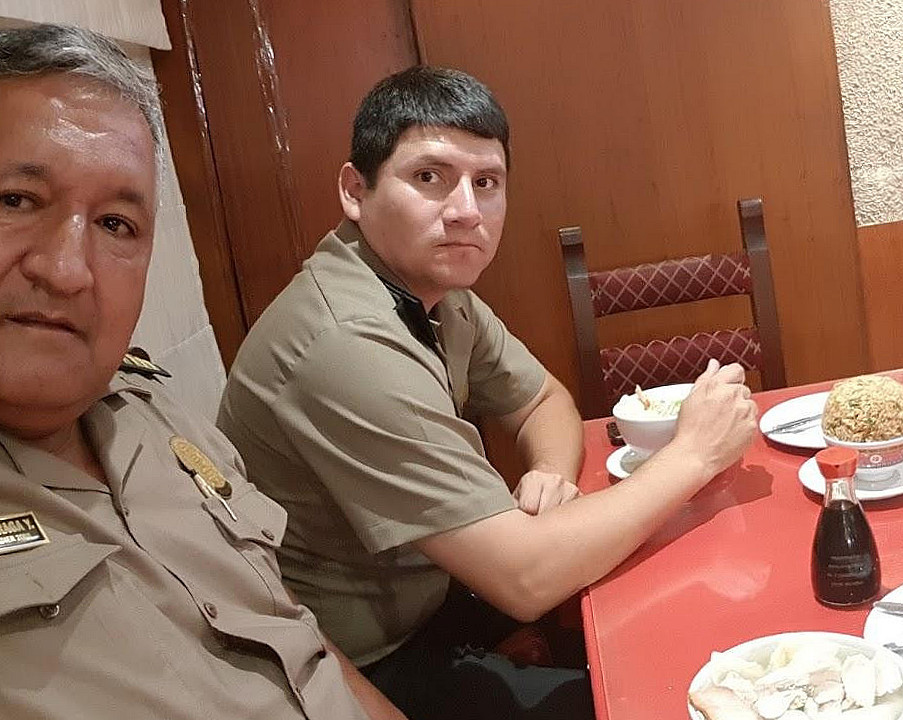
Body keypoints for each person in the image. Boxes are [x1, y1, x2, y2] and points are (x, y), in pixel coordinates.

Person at [217, 65, 758, 719]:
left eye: (486, 182)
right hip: (356, 665)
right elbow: (525, 579)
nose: (466, 211)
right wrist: (694, 454)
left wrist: (550, 473)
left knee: (684, 626)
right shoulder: (344, 342)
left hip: (442, 597)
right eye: (429, 177)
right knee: (667, 699)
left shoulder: (434, 293)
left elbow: (543, 401)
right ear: (355, 191)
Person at [0, 23, 406, 720]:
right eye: (15, 200)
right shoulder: (335, 332)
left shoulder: (152, 414)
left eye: (116, 224)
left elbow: (291, 631)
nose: (66, 270)